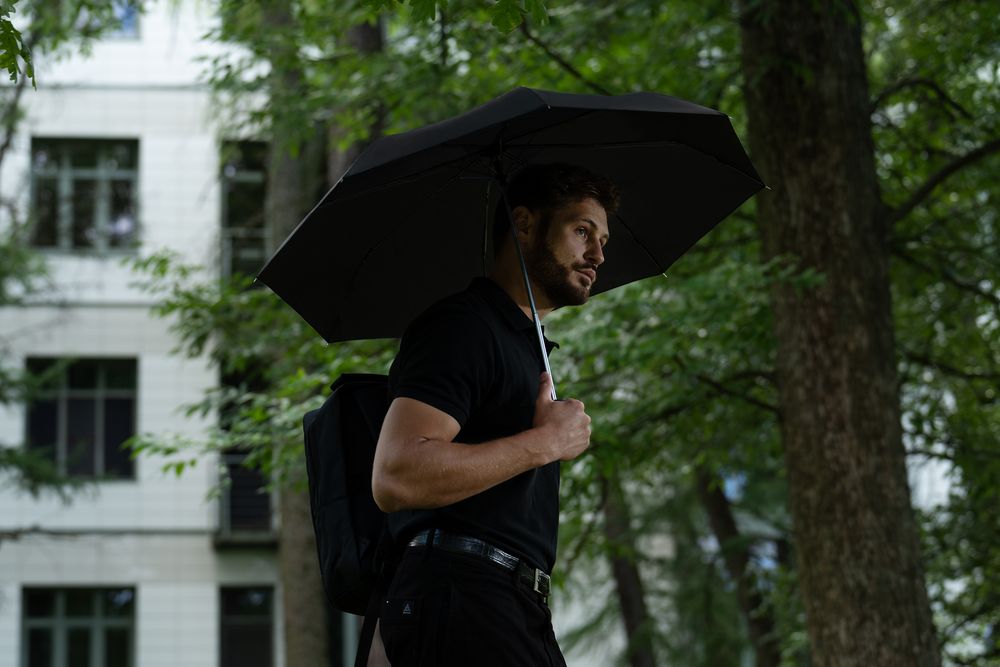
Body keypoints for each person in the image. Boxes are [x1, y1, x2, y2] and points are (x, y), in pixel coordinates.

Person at [371, 162, 619, 666]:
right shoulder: (462, 327)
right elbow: (396, 474)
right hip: (462, 598)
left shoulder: (523, 345)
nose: (597, 255)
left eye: (602, 240)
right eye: (581, 231)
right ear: (524, 224)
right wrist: (545, 443)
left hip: (508, 604)